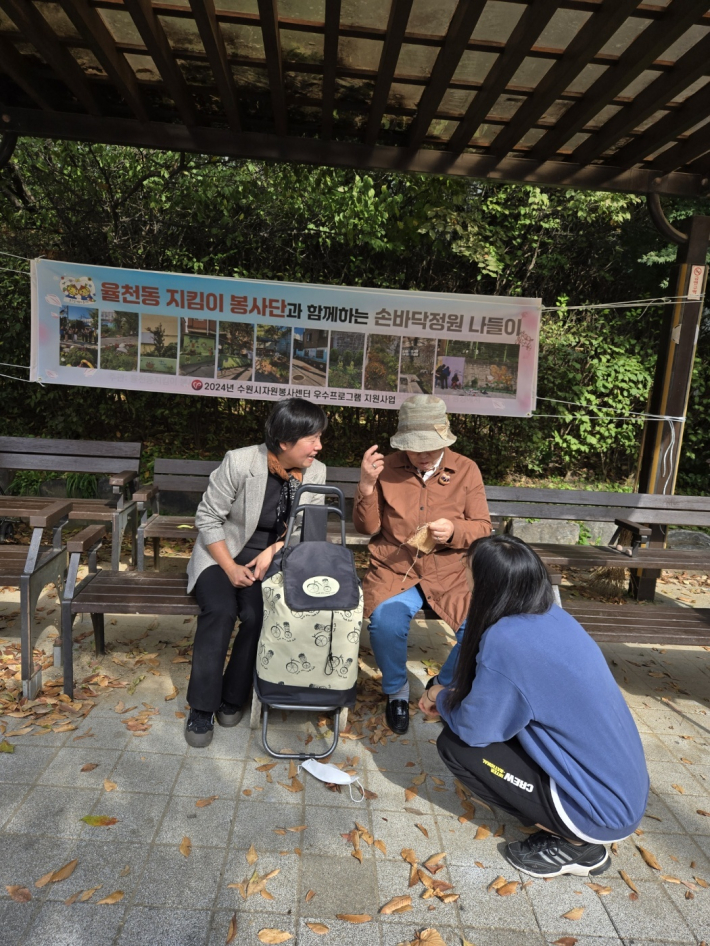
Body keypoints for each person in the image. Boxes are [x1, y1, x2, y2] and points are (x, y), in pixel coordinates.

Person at [420, 534, 649, 878]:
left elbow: (474, 729)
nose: (461, 569)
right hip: (620, 790)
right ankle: (557, 821)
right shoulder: (552, 616)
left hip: (597, 811)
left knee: (457, 745)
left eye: (466, 565)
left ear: (485, 582)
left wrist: (438, 696)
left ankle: (573, 844)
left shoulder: (507, 639)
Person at [183, 398, 328, 747]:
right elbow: (207, 518)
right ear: (284, 442)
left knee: (259, 614)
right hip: (221, 553)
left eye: (320, 438)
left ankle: (234, 697)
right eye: (312, 439)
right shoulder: (240, 461)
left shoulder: (316, 472)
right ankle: (202, 706)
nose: (319, 447)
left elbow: (308, 529)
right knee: (220, 610)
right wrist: (230, 567)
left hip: (272, 561)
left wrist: (274, 550)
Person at [353, 394, 490, 735]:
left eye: (431, 446)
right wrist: (367, 485)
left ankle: (439, 686)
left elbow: (484, 528)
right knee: (385, 623)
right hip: (395, 567)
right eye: (416, 448)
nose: (424, 455)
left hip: (450, 571)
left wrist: (455, 530)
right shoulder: (386, 469)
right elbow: (366, 528)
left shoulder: (466, 469)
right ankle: (396, 691)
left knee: (479, 628)